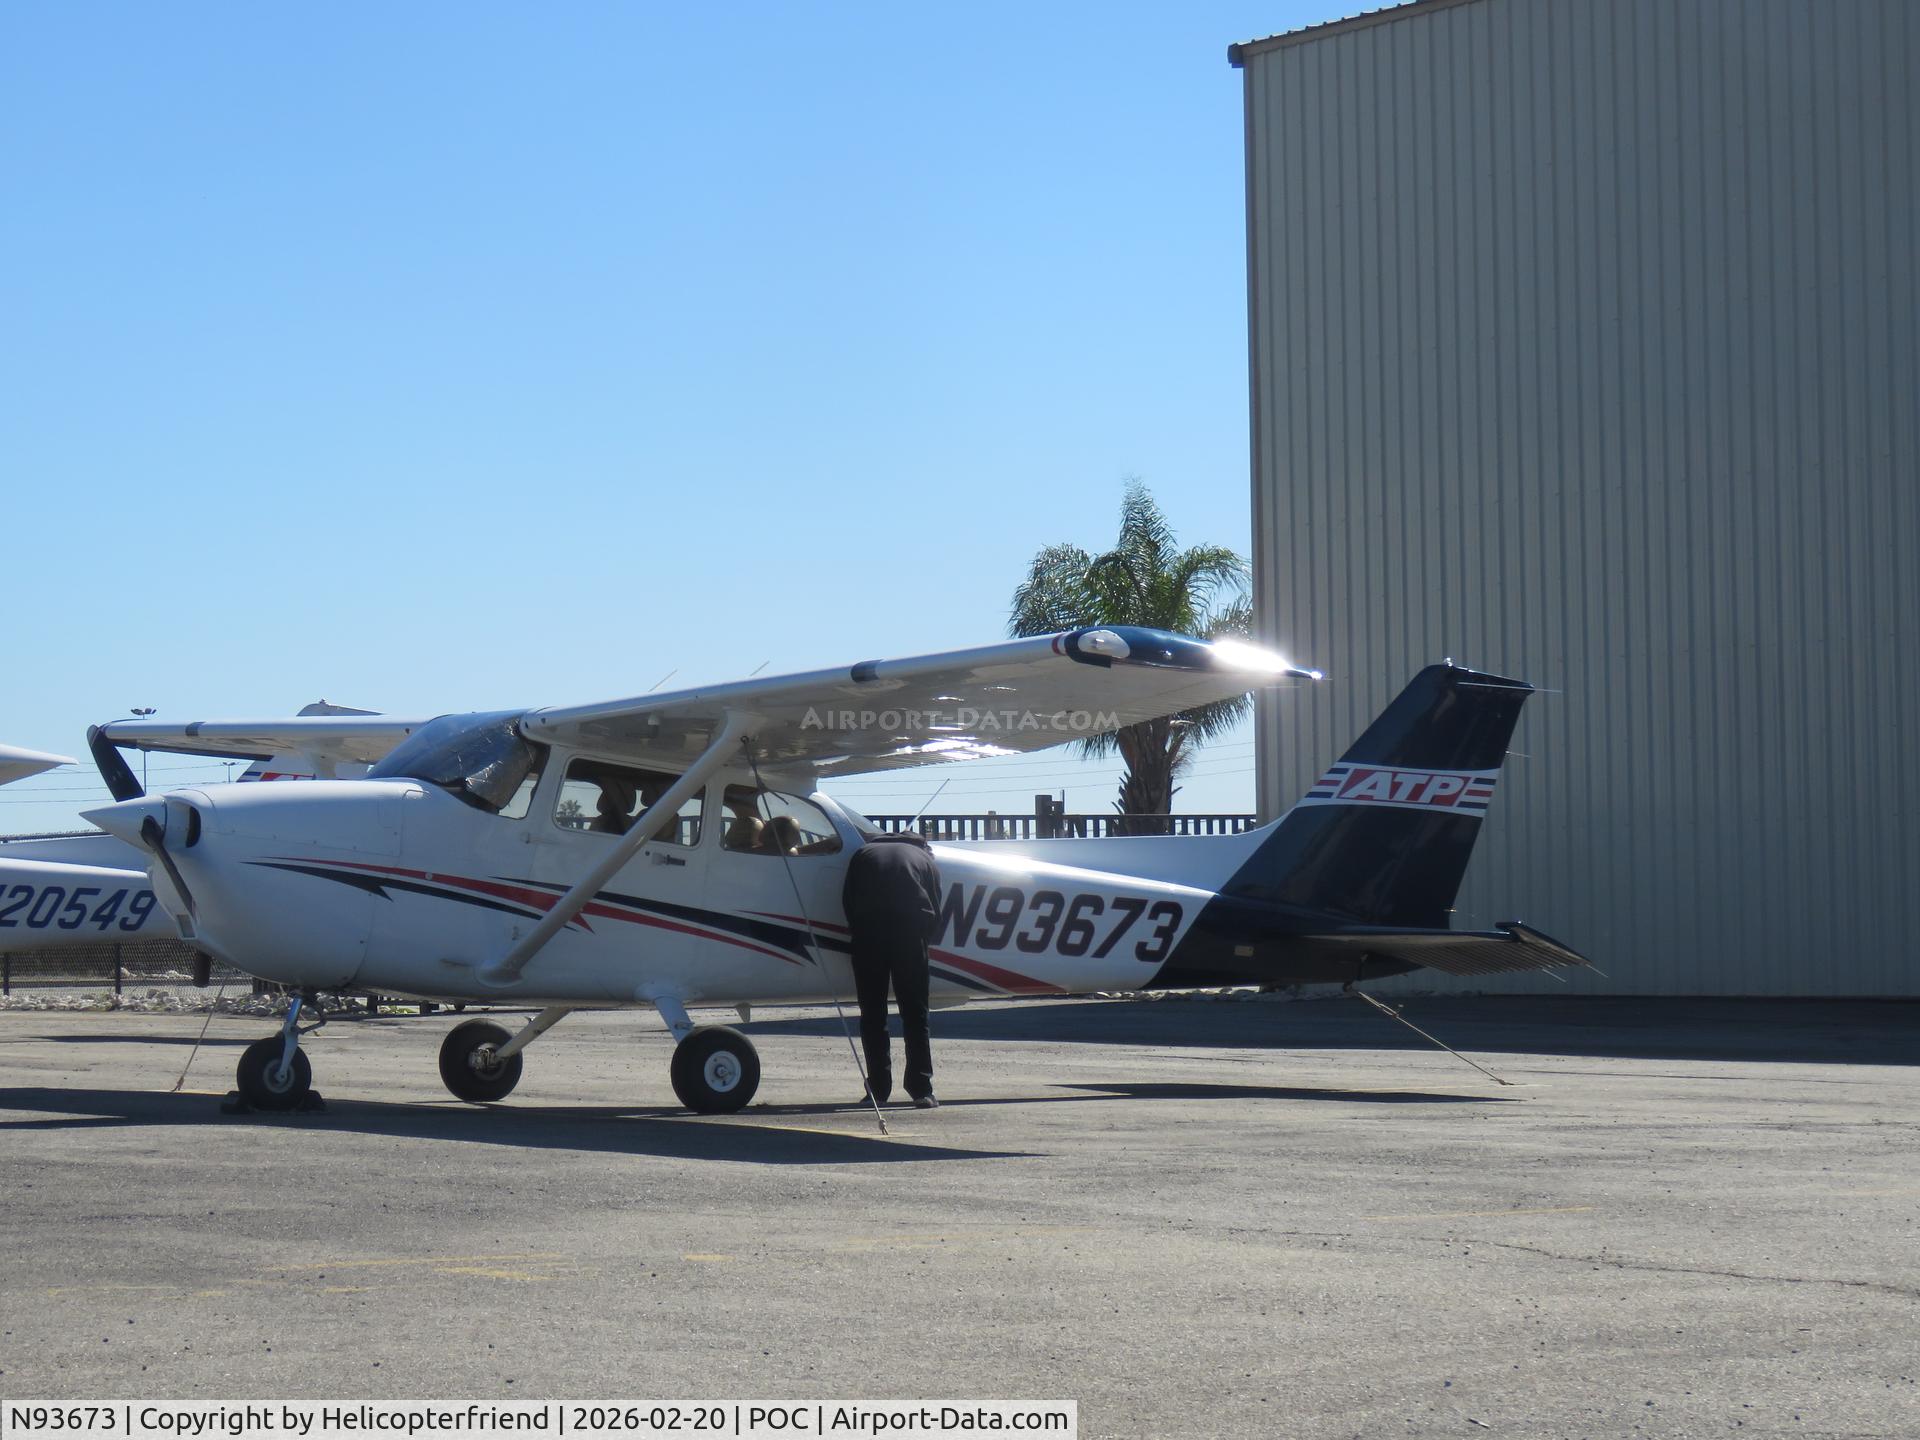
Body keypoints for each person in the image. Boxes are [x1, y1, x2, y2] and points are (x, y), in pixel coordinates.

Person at [840, 829, 942, 1108]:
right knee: (915, 1014)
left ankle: (878, 1089)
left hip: (868, 935)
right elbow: (935, 906)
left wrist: (860, 932)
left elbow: (848, 899)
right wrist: (923, 940)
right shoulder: (923, 858)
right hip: (909, 937)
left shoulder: (863, 853)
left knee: (873, 1014)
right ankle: (921, 1089)